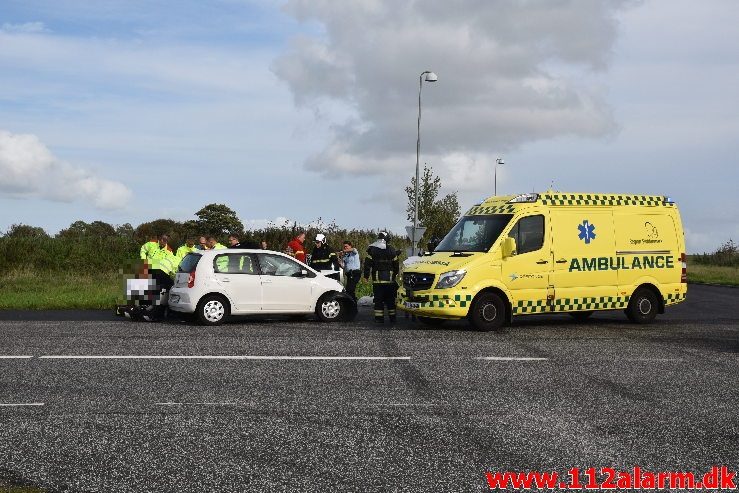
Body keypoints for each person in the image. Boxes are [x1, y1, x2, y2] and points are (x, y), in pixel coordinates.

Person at [364, 232, 399, 324]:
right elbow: (396, 265)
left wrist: (366, 276)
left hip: (377, 280)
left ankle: (379, 319)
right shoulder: (392, 250)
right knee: (391, 300)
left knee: (378, 300)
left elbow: (367, 264)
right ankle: (393, 318)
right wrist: (395, 275)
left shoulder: (372, 250)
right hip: (390, 280)